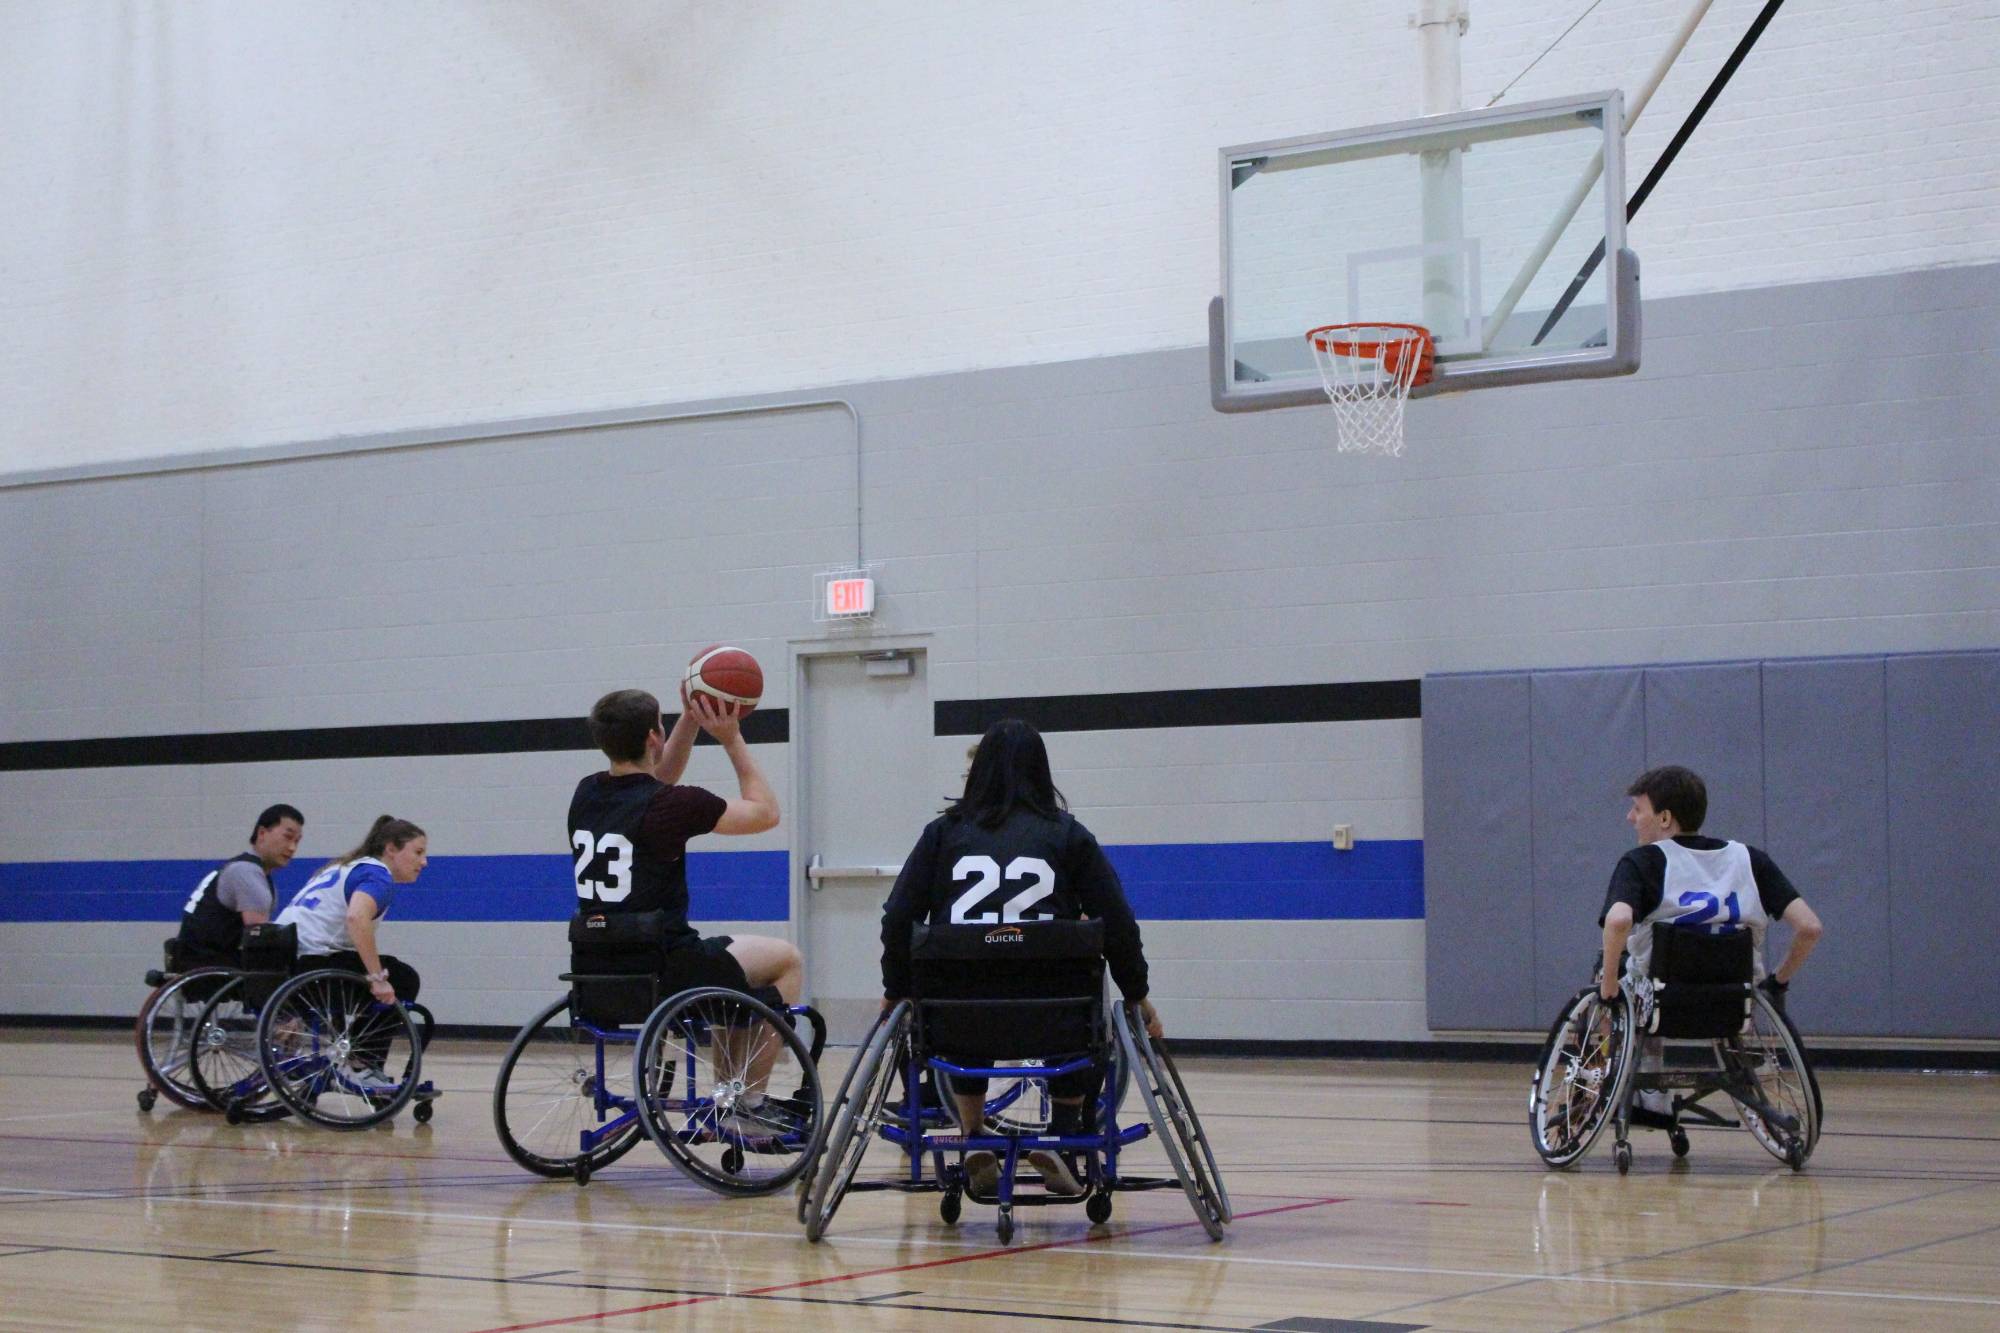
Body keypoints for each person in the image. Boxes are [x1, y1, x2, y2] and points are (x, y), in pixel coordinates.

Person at [879, 717, 1161, 1197]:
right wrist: (1137, 993)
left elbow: (897, 918)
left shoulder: (942, 836)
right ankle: (1065, 1132)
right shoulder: (1069, 836)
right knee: (1076, 1007)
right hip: (1055, 1017)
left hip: (958, 1019)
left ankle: (973, 1135)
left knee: (967, 993)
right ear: (1041, 772)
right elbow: (1117, 923)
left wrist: (895, 989)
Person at [570, 685, 800, 1127]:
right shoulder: (675, 804)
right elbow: (765, 812)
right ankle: (745, 1104)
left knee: (727, 965)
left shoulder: (587, 794)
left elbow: (653, 784)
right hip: (668, 967)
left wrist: (690, 718)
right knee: (785, 960)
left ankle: (728, 1098)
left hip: (599, 967)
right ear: (654, 738)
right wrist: (731, 738)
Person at [1597, 765, 1824, 1126]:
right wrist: (1778, 982)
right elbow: (1810, 927)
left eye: (1638, 809)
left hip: (1661, 1003)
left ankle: (1619, 1091)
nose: (1630, 818)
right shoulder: (1750, 858)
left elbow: (1619, 921)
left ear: (1665, 818)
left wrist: (1608, 988)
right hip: (1734, 1004)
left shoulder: (1642, 862)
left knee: (1609, 969)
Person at [278, 815, 429, 1009]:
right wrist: (377, 977)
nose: (424, 862)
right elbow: (356, 918)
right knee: (404, 978)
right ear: (390, 849)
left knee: (366, 965)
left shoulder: (342, 867)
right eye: (418, 852)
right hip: (312, 964)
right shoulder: (378, 875)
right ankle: (367, 1040)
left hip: (281, 960)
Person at [175, 804, 305, 970]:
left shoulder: (240, 866)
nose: (292, 848)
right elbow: (260, 940)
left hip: (192, 958)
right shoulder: (247, 871)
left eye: (297, 841)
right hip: (210, 965)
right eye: (288, 837)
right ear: (262, 833)